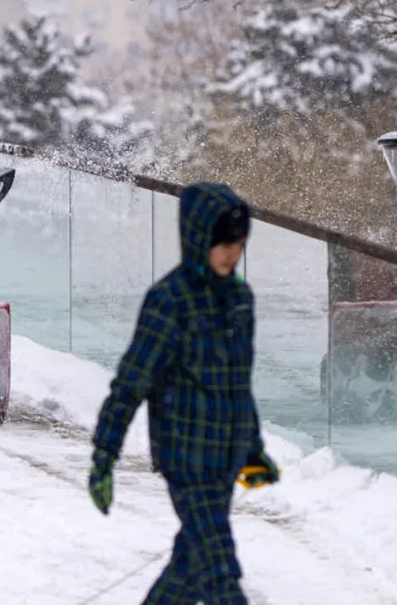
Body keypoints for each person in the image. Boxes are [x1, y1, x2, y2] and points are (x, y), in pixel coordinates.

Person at [88, 181, 279, 605]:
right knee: (219, 573)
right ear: (198, 239)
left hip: (226, 456)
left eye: (238, 243)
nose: (231, 253)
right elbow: (131, 383)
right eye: (222, 243)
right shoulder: (169, 302)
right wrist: (105, 455)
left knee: (190, 565)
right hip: (186, 458)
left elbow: (238, 384)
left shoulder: (240, 300)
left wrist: (252, 446)